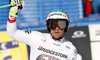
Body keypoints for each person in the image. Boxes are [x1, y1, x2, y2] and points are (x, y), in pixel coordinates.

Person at [7, 0, 82, 60]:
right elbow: (12, 33)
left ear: (66, 27)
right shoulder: (36, 38)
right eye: (53, 25)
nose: (57, 28)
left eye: (61, 25)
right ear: (48, 26)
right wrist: (13, 12)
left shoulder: (71, 50)